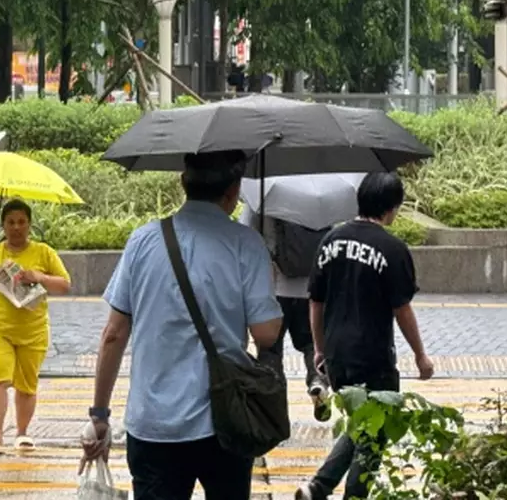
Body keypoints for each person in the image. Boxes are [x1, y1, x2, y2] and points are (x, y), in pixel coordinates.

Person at [80, 151, 283, 500]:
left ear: (182, 183)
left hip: (154, 424)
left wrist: (100, 414)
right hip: (224, 422)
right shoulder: (246, 244)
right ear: (234, 191)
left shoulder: (142, 241)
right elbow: (265, 333)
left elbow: (113, 334)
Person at [296, 172, 435, 500]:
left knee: (361, 423)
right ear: (392, 209)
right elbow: (402, 310)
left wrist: (319, 349)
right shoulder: (392, 248)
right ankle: (352, 495)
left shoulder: (331, 240)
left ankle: (318, 487)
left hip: (337, 356)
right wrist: (420, 355)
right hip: (373, 356)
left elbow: (315, 300)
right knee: (378, 427)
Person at [0, 199, 71, 453]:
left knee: (26, 385)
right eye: (11, 222)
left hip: (32, 332)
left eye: (21, 222)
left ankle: (22, 434)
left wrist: (39, 277)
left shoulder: (44, 252)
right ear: (2, 225)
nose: (16, 227)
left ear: (29, 224)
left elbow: (65, 285)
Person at [239, 207, 332, 422]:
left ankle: (274, 408)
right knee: (312, 345)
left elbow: (243, 233)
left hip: (271, 290)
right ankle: (318, 382)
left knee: (270, 351)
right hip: (309, 289)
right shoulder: (315, 198)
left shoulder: (264, 199)